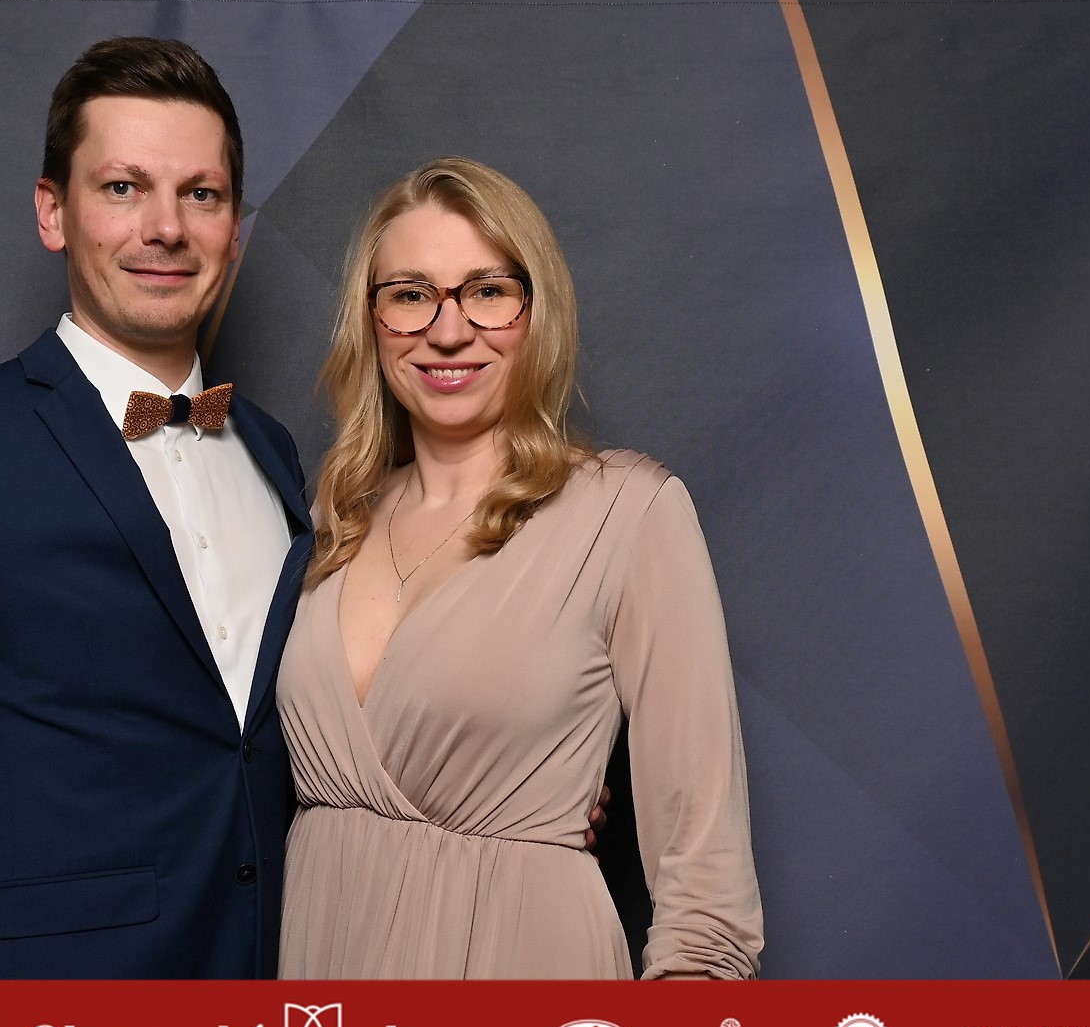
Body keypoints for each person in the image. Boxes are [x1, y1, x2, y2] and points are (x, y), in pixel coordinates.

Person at [0, 37, 311, 978]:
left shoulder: (273, 454)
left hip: (265, 1013)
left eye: (201, 194)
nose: (166, 227)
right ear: (52, 212)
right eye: (123, 187)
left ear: (234, 228)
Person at [277, 158, 764, 978]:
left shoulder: (627, 515)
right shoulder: (332, 519)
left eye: (487, 291)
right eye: (410, 294)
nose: (448, 330)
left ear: (539, 312)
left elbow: (706, 888)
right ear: (370, 319)